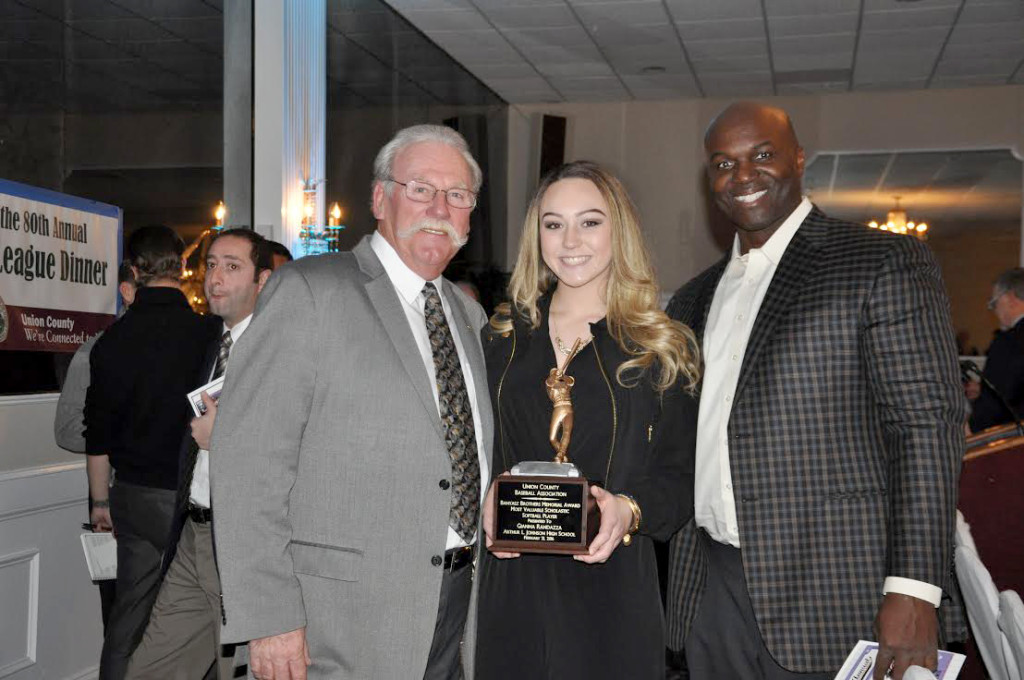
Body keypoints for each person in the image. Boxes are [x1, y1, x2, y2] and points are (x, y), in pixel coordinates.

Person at [666, 102, 966, 680]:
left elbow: (926, 427)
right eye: (724, 162)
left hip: (835, 594)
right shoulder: (691, 299)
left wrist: (914, 589)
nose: (743, 175)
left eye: (763, 155)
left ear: (799, 159)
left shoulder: (880, 261)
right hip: (709, 592)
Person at [210, 124, 493, 680]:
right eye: (420, 189)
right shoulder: (311, 292)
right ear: (379, 197)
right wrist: (270, 617)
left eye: (457, 195)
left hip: (457, 606)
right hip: (335, 623)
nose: (439, 207)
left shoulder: (468, 318)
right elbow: (247, 462)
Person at [475, 160, 700, 679]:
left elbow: (683, 475)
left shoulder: (661, 347)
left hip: (612, 588)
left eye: (590, 221)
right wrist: (482, 496)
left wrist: (629, 510)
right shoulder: (500, 339)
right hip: (510, 588)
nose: (570, 240)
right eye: (553, 224)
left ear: (618, 231)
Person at [125, 229, 272, 679]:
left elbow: (293, 450)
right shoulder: (212, 343)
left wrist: (221, 438)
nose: (215, 278)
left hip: (244, 545)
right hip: (194, 534)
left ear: (262, 281)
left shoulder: (278, 352)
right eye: (211, 265)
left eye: (232, 267)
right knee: (151, 669)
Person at [85, 225, 220, 680]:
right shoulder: (208, 334)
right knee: (200, 617)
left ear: (135, 270)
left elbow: (97, 433)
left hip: (130, 496)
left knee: (129, 615)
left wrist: (100, 502)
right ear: (183, 267)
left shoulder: (111, 342)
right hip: (182, 498)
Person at [54, 259, 136, 630]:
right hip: (113, 498)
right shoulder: (95, 351)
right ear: (127, 292)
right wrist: (128, 435)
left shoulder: (181, 349)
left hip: (164, 501)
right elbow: (68, 429)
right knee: (118, 617)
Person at [967, 267, 1024, 432]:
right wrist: (984, 389)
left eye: (994, 303)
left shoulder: (1009, 342)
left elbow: (992, 408)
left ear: (1010, 298)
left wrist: (970, 429)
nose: (994, 310)